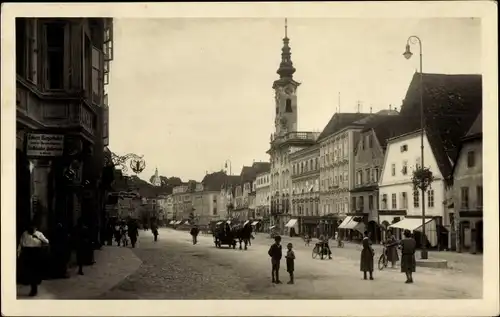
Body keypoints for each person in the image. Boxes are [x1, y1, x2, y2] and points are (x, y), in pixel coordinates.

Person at [17, 224, 49, 296]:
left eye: (33, 229)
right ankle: (31, 284)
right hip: (27, 252)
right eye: (30, 229)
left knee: (35, 271)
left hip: (36, 252)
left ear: (36, 229)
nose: (31, 230)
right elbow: (21, 243)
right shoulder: (24, 234)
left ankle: (34, 288)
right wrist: (18, 253)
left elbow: (47, 242)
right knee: (29, 270)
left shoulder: (39, 234)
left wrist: (38, 238)